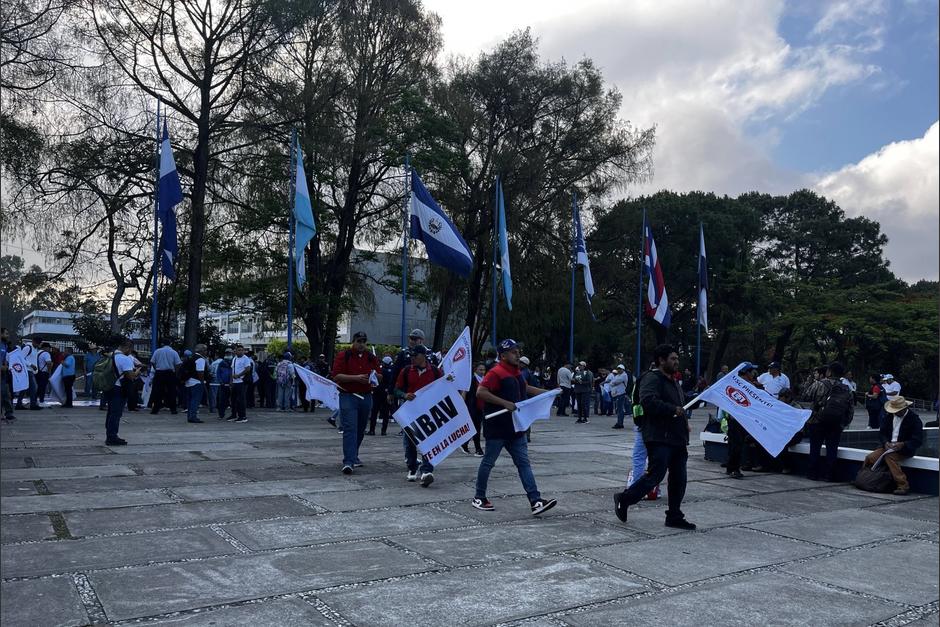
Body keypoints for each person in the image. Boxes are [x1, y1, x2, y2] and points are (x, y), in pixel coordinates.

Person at [613, 344, 696, 530]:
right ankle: (624, 499)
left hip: (677, 438)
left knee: (679, 478)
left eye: (677, 358)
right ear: (661, 360)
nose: (676, 362)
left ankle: (674, 515)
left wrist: (698, 399)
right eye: (673, 359)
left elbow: (682, 402)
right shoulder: (652, 378)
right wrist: (673, 409)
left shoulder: (673, 381)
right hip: (660, 437)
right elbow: (648, 401)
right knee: (655, 476)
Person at [472, 339, 557, 516]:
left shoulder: (516, 372)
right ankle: (479, 497)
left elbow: (526, 388)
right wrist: (504, 403)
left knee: (523, 463)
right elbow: (481, 392)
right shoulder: (495, 372)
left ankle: (535, 500)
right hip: (497, 428)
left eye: (518, 351)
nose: (517, 355)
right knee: (488, 462)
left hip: (516, 428)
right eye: (513, 352)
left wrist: (549, 393)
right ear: (503, 356)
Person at [331, 331, 382, 474]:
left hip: (366, 396)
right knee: (350, 428)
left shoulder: (370, 357)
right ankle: (348, 461)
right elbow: (336, 376)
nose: (361, 344)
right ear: (353, 342)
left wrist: (374, 377)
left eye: (364, 341)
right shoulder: (344, 355)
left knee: (360, 429)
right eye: (359, 341)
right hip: (348, 395)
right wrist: (356, 378)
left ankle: (353, 455)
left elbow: (380, 376)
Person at [395, 345, 441, 486]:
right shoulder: (406, 370)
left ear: (423, 356)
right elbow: (396, 389)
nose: (412, 358)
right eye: (411, 356)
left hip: (429, 412)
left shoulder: (435, 371)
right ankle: (412, 467)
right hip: (410, 412)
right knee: (410, 442)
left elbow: (443, 387)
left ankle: (427, 470)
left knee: (430, 441)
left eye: (415, 356)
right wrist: (404, 395)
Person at [803, 362, 854, 481]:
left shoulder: (819, 384)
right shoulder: (846, 388)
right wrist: (844, 423)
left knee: (815, 448)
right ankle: (829, 475)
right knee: (832, 450)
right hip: (836, 423)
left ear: (829, 372)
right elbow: (850, 409)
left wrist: (808, 382)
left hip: (817, 421)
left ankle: (812, 473)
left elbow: (805, 396)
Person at [863, 396, 924, 495]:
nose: (895, 413)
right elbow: (882, 433)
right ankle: (864, 478)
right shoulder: (889, 417)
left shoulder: (914, 420)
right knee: (870, 457)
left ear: (904, 409)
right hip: (888, 447)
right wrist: (885, 442)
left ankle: (903, 485)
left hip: (904, 449)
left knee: (890, 457)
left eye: (897, 411)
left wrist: (903, 444)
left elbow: (917, 440)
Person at [724, 362, 759, 479]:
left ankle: (731, 467)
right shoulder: (738, 385)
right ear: (746, 372)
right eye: (752, 371)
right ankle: (734, 469)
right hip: (735, 419)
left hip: (743, 419)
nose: (753, 374)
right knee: (736, 445)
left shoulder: (748, 385)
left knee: (737, 444)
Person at [106, 338, 139, 445]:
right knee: (116, 413)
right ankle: (112, 437)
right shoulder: (125, 359)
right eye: (131, 349)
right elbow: (130, 376)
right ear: (127, 348)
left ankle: (109, 434)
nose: (130, 352)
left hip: (110, 386)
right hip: (119, 388)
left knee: (111, 412)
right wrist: (137, 371)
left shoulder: (110, 355)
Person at [150, 339, 181, 415]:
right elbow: (178, 364)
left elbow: (152, 362)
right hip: (170, 373)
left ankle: (155, 409)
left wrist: (156, 368)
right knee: (172, 391)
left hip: (159, 373)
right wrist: (175, 373)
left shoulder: (157, 351)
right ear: (170, 344)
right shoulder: (174, 352)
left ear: (162, 344)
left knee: (157, 391)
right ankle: (173, 409)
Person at [461, 362, 486, 456]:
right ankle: (478, 449)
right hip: (472, 407)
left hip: (481, 407)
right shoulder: (471, 380)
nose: (482, 372)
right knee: (476, 428)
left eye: (484, 370)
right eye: (480, 370)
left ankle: (465, 444)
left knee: (475, 428)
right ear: (475, 370)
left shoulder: (485, 379)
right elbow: (464, 393)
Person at [368, 355, 394, 435]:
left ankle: (372, 430)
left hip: (378, 392)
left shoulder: (380, 370)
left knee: (374, 412)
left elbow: (374, 380)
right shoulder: (393, 371)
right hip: (387, 393)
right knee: (386, 413)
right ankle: (384, 431)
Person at [183, 344, 207, 423]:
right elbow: (200, 372)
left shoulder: (191, 358)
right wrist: (202, 382)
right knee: (195, 400)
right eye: (205, 350)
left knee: (189, 400)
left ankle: (189, 416)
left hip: (188, 381)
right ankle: (193, 416)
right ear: (202, 351)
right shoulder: (200, 359)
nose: (206, 352)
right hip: (197, 382)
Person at [229, 345, 252, 423]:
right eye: (239, 350)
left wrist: (239, 375)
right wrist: (231, 381)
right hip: (234, 382)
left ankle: (243, 416)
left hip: (241, 382)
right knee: (233, 399)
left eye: (242, 350)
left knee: (241, 400)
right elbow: (232, 370)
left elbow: (248, 369)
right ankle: (234, 415)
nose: (241, 351)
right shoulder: (234, 358)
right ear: (235, 351)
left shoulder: (246, 358)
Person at [15, 339, 40, 410]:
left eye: (39, 343)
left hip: (31, 371)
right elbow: (20, 358)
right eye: (37, 343)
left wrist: (35, 369)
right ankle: (33, 405)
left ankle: (19, 404)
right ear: (33, 342)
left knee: (24, 388)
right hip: (27, 370)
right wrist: (30, 364)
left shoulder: (35, 349)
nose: (37, 345)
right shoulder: (28, 348)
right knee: (34, 388)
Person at [1, 328, 15, 422]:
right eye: (6, 333)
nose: (8, 335)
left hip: (3, 373)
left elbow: (4, 358)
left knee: (5, 393)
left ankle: (9, 413)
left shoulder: (5, 345)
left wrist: (5, 365)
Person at [216, 349, 234, 420]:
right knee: (221, 401)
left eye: (229, 353)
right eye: (227, 353)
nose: (228, 355)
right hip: (223, 385)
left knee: (234, 400)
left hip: (233, 384)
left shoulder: (234, 362)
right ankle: (221, 414)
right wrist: (221, 381)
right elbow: (218, 373)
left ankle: (234, 414)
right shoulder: (221, 363)